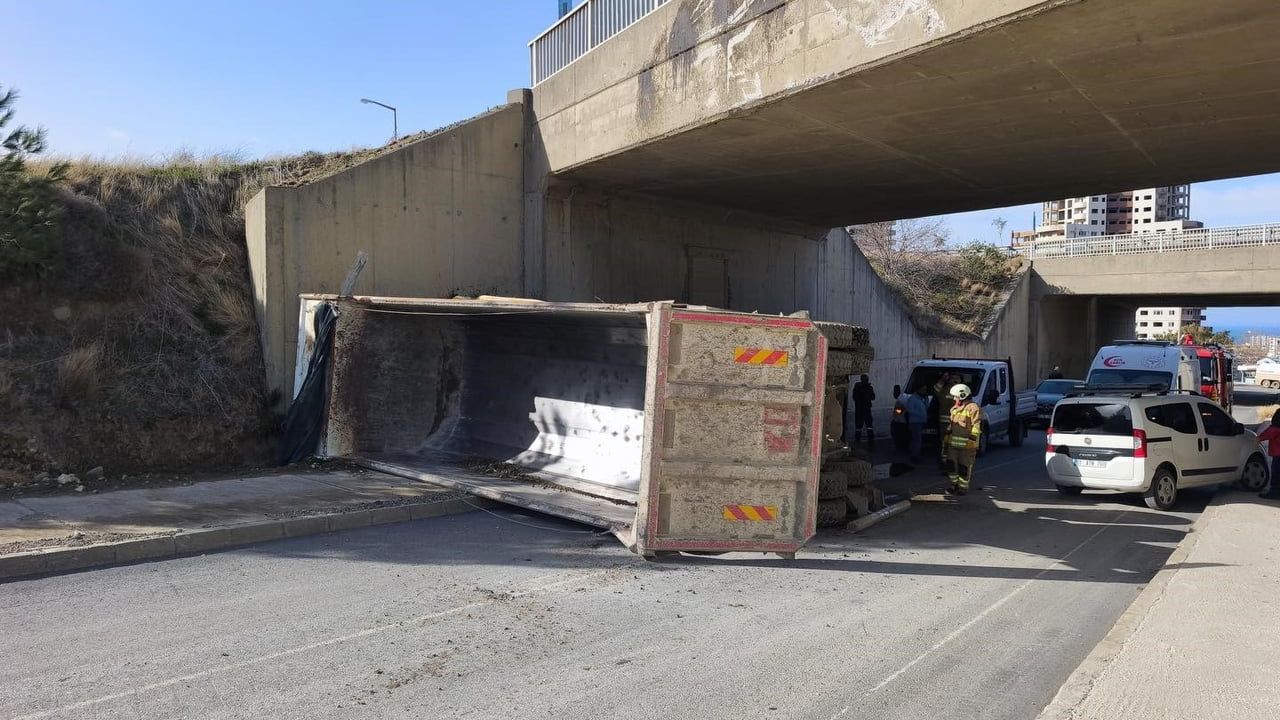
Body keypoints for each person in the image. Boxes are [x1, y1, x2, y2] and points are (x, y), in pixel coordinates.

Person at [943, 383, 983, 495]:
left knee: (964, 468)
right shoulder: (954, 409)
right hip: (953, 445)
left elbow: (976, 426)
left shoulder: (973, 408)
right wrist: (947, 437)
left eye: (955, 396)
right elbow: (952, 425)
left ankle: (962, 488)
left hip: (967, 446)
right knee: (951, 465)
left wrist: (972, 440)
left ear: (962, 395)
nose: (954, 399)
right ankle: (953, 485)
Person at [903, 385, 929, 463]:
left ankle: (915, 454)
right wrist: (919, 414)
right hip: (915, 422)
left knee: (916, 439)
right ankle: (915, 456)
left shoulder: (921, 398)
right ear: (918, 390)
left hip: (920, 421)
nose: (924, 391)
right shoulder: (913, 398)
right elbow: (909, 409)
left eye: (925, 390)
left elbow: (925, 407)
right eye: (923, 389)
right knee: (917, 439)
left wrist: (926, 399)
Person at [1258, 409, 1280, 499]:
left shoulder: (1274, 429)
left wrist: (1256, 440)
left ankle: (1274, 492)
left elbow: (1262, 437)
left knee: (1276, 474)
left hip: (1277, 456)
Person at [851, 374, 876, 443]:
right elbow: (873, 397)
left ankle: (858, 439)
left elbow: (854, 397)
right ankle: (870, 439)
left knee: (859, 426)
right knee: (868, 425)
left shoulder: (858, 387)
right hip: (865, 409)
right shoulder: (868, 387)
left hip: (860, 410)